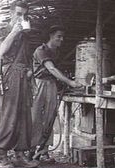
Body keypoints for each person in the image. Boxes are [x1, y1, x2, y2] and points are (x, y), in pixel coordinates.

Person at [0, 1, 39, 168]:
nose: (22, 18)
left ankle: (19, 155)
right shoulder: (2, 30)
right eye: (18, 14)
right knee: (9, 115)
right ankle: (1, 155)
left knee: (25, 116)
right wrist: (13, 32)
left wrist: (30, 74)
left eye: (24, 15)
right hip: (9, 75)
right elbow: (0, 52)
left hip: (24, 76)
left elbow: (28, 57)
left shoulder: (26, 35)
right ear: (11, 13)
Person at [30, 25, 82, 160]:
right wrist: (70, 82)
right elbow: (51, 69)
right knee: (35, 117)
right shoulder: (41, 50)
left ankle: (44, 150)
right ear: (51, 36)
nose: (61, 39)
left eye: (62, 36)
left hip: (52, 85)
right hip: (39, 84)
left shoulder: (56, 53)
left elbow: (56, 72)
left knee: (50, 117)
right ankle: (30, 149)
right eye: (59, 36)